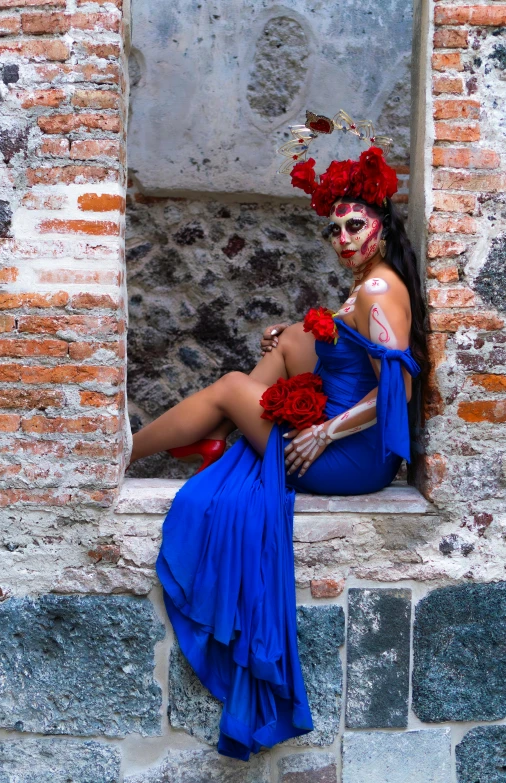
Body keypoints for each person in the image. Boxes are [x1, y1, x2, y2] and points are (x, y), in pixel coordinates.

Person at [128, 140, 426, 760]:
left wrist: (323, 430)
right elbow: (345, 356)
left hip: (354, 457)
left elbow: (397, 387)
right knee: (292, 336)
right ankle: (222, 435)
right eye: (334, 228)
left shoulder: (377, 291)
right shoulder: (366, 285)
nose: (342, 237)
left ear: (380, 225)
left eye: (354, 225)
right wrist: (291, 338)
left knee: (234, 388)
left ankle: (126, 452)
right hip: (341, 436)